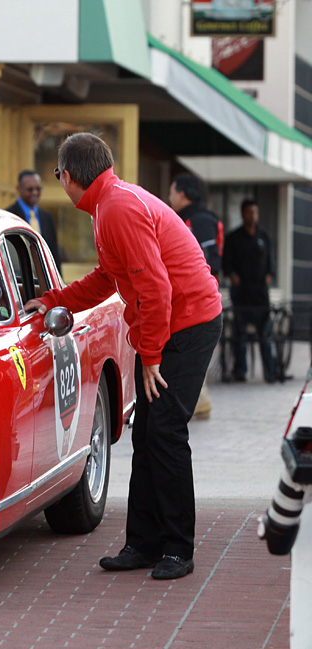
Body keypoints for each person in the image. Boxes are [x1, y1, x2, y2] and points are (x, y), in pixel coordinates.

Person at [24, 133, 222, 581]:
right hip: (171, 323)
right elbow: (106, 279)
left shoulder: (117, 208)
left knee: (165, 432)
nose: (59, 182)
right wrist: (54, 300)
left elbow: (156, 289)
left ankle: (177, 549)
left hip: (189, 324)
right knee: (148, 432)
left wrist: (150, 356)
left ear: (68, 176)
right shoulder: (107, 204)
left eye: (58, 175)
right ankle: (143, 544)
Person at [168, 172, 224, 419]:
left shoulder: (198, 220)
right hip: (194, 300)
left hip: (197, 302)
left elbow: (209, 259)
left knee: (189, 357)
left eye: (171, 191)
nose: (169, 197)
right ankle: (196, 402)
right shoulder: (190, 218)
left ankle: (197, 403)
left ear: (182, 193)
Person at [221, 199, 282, 383]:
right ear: (242, 214)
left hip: (260, 295)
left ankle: (270, 371)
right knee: (240, 335)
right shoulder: (234, 238)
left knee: (265, 334)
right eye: (249, 212)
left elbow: (271, 263)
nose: (252, 215)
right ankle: (240, 370)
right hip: (241, 294)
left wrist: (268, 277)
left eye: (255, 212)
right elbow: (227, 265)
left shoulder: (264, 236)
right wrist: (235, 278)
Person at [5, 170, 62, 275]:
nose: (35, 192)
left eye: (38, 188)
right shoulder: (8, 216)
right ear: (19, 189)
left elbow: (54, 251)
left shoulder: (46, 217)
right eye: (30, 189)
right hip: (19, 279)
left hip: (45, 277)